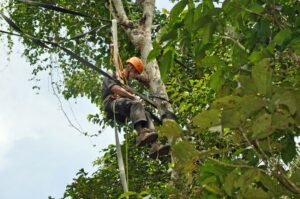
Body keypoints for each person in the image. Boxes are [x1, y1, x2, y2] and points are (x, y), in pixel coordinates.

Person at [102, 57, 170, 159]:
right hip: (111, 103)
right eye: (135, 72)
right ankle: (140, 134)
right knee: (136, 103)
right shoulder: (113, 73)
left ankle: (155, 145)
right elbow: (114, 88)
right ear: (129, 67)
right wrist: (132, 97)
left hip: (122, 106)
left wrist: (131, 96)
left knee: (146, 114)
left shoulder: (125, 83)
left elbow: (127, 97)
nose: (134, 76)